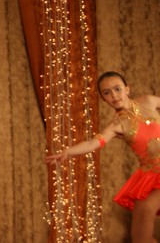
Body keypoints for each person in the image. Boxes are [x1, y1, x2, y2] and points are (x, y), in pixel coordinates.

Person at [46, 71, 160, 243]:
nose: (114, 95)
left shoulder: (149, 101)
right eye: (107, 93)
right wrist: (68, 152)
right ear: (103, 99)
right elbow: (93, 143)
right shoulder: (116, 125)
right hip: (152, 173)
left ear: (127, 89)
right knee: (140, 231)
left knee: (147, 206)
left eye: (117, 89)